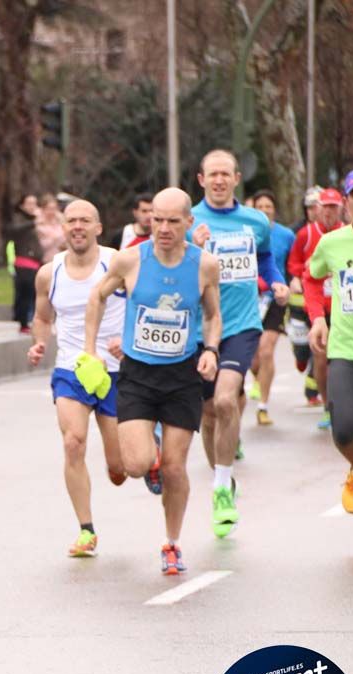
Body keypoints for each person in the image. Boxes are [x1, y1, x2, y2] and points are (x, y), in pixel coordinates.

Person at [81, 187, 222, 575]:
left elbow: (213, 315)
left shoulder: (205, 265)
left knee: (175, 469)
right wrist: (91, 349)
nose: (163, 228)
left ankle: (172, 543)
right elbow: (97, 296)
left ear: (188, 222)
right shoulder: (129, 259)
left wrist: (211, 350)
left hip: (181, 376)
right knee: (137, 464)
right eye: (157, 219)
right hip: (138, 375)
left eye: (173, 221)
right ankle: (151, 450)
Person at [189, 149, 288, 537]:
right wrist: (194, 249)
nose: (218, 180)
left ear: (235, 178)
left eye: (225, 174)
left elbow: (266, 260)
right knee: (208, 414)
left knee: (227, 400)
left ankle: (220, 490)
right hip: (199, 330)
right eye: (212, 174)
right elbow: (171, 268)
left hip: (242, 325)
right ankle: (224, 478)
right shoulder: (188, 221)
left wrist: (276, 282)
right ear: (201, 180)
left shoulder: (255, 221)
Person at [27, 199, 128, 557]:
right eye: (71, 221)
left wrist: (126, 341)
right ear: (63, 228)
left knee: (120, 469)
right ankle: (87, 530)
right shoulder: (49, 273)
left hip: (114, 370)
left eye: (85, 220)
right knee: (73, 442)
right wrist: (40, 342)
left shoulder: (117, 263)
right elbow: (42, 317)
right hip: (72, 368)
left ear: (98, 228)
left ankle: (147, 449)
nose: (78, 227)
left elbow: (142, 306)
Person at [308, 168, 353, 542]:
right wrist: (317, 318)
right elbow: (312, 278)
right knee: (345, 429)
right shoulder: (331, 243)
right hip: (347, 351)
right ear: (346, 203)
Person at [290, 187, 347, 427]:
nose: (329, 212)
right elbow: (294, 263)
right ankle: (327, 407)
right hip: (317, 308)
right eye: (326, 207)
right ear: (318, 208)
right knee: (320, 360)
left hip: (344, 309)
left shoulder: (348, 233)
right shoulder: (306, 234)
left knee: (348, 361)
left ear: (341, 208)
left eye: (334, 207)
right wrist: (297, 276)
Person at [248, 189, 297, 426]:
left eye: (268, 207)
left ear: (274, 210)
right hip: (250, 298)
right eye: (260, 207)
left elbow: (292, 264)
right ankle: (259, 376)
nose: (265, 211)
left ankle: (263, 406)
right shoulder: (244, 232)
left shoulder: (286, 235)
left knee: (266, 350)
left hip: (275, 298)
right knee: (254, 359)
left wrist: (292, 282)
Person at [8, 194, 45, 333]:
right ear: (22, 205)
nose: (32, 207)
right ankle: (23, 322)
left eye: (34, 203)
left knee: (33, 294)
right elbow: (15, 230)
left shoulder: (36, 220)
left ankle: (29, 321)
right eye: (29, 203)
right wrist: (34, 222)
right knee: (26, 294)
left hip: (36, 262)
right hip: (24, 262)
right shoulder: (20, 219)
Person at [35, 192, 65, 263]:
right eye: (49, 209)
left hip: (63, 258)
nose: (52, 212)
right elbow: (41, 245)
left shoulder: (61, 221)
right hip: (48, 260)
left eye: (54, 208)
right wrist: (55, 238)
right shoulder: (39, 224)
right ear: (43, 209)